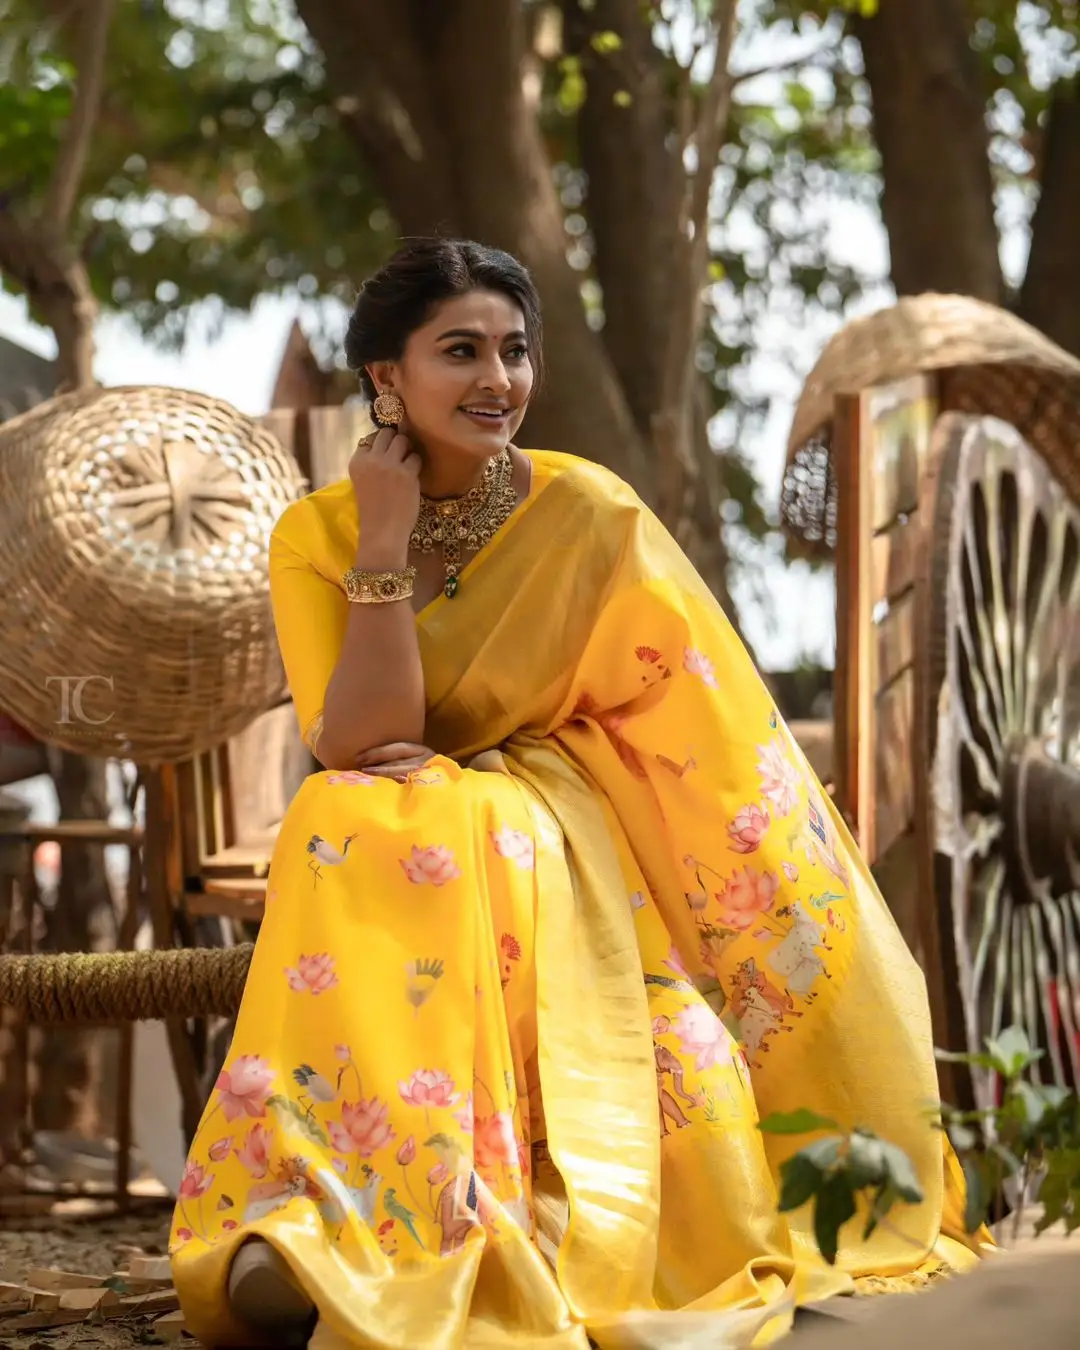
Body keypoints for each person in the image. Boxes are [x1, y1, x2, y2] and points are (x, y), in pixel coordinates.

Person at [170, 238, 982, 1350]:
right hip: (417, 820)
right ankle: (335, 1206)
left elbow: (694, 726)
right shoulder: (317, 533)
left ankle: (482, 1221)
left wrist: (490, 776)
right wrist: (389, 541)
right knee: (358, 811)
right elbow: (363, 740)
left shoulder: (588, 513)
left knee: (427, 816)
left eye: (514, 350)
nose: (498, 379)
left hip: (583, 827)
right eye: (460, 351)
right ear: (385, 377)